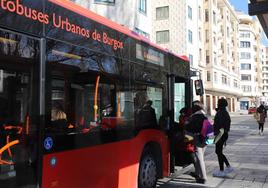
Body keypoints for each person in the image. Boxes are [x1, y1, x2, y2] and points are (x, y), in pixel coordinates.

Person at [185, 100, 207, 184]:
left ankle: (203, 178)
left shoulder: (194, 116)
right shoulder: (205, 115)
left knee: (199, 158)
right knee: (200, 157)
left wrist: (188, 139)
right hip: (206, 139)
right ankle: (197, 173)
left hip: (198, 139)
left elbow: (188, 128)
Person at [213, 98, 233, 177]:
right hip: (223, 134)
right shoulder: (223, 112)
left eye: (218, 103)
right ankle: (227, 167)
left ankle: (223, 170)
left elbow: (221, 125)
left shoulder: (221, 112)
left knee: (218, 152)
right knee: (219, 152)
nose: (217, 103)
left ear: (220, 104)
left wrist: (217, 134)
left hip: (220, 134)